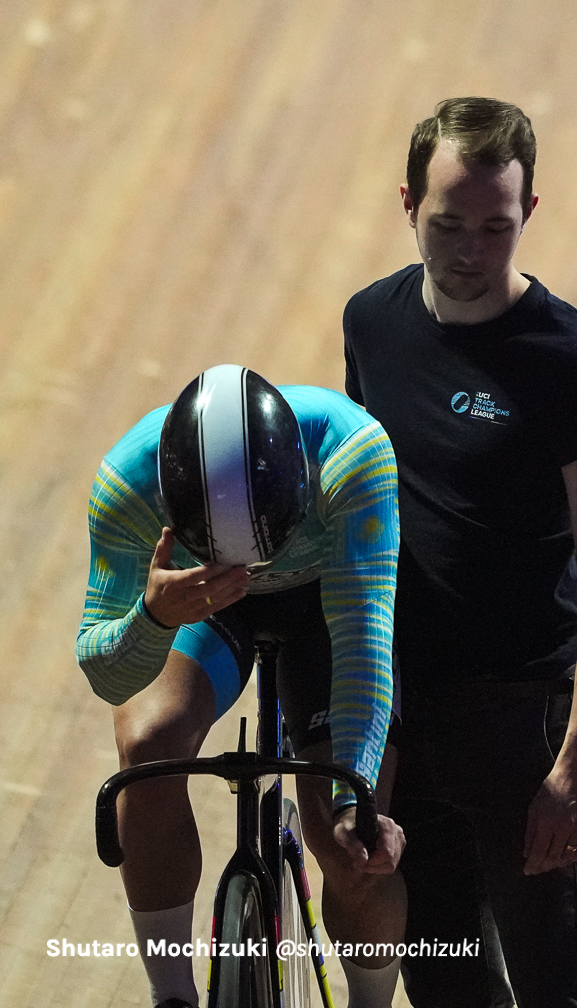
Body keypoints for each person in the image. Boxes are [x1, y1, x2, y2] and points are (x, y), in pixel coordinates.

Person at [342, 97, 577, 1008]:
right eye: (447, 224)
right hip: (410, 716)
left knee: (561, 993)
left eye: (495, 228)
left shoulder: (572, 365)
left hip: (523, 733)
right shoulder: (372, 324)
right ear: (406, 204)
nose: (469, 249)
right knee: (446, 988)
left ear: (529, 214)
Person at [79, 363, 407, 1008]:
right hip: (201, 604)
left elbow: (363, 643)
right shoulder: (127, 483)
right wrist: (152, 619)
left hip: (327, 600)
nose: (256, 568)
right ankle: (171, 996)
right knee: (148, 745)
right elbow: (105, 674)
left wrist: (350, 800)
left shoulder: (352, 454)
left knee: (351, 848)